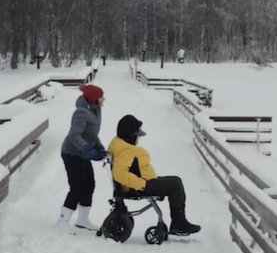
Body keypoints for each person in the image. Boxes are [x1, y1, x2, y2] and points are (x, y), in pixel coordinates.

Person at [107, 114, 201, 235]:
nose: (138, 139)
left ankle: (179, 221)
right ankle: (179, 222)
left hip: (144, 182)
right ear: (130, 136)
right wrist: (142, 184)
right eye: (136, 136)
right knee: (175, 184)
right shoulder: (126, 150)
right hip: (140, 186)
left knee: (175, 181)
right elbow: (119, 173)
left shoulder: (120, 145)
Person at [57, 84, 106, 232]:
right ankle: (62, 221)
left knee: (89, 184)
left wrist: (99, 147)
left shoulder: (96, 111)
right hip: (72, 153)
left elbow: (91, 134)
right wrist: (86, 148)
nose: (104, 99)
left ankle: (83, 219)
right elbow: (74, 135)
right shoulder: (81, 113)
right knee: (77, 187)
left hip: (83, 153)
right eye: (101, 96)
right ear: (93, 99)